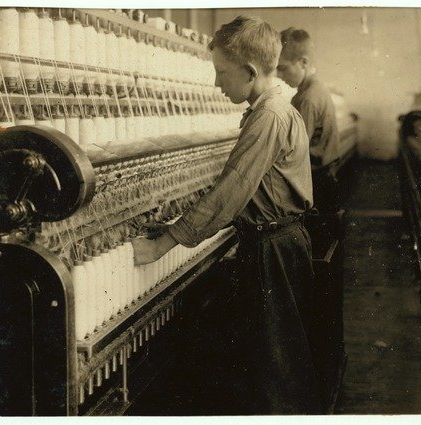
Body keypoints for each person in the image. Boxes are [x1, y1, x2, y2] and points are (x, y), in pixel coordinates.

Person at [131, 16, 321, 414]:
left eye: (222, 73)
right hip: (275, 243)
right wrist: (174, 216)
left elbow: (230, 193)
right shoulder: (270, 110)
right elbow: (242, 184)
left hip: (274, 250)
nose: (217, 83)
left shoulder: (269, 116)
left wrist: (162, 245)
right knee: (273, 360)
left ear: (250, 72)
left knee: (275, 369)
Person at [278, 28, 340, 214]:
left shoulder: (307, 98)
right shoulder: (316, 87)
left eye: (283, 68)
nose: (279, 76)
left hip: (316, 178)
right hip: (327, 173)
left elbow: (295, 151)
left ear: (303, 63)